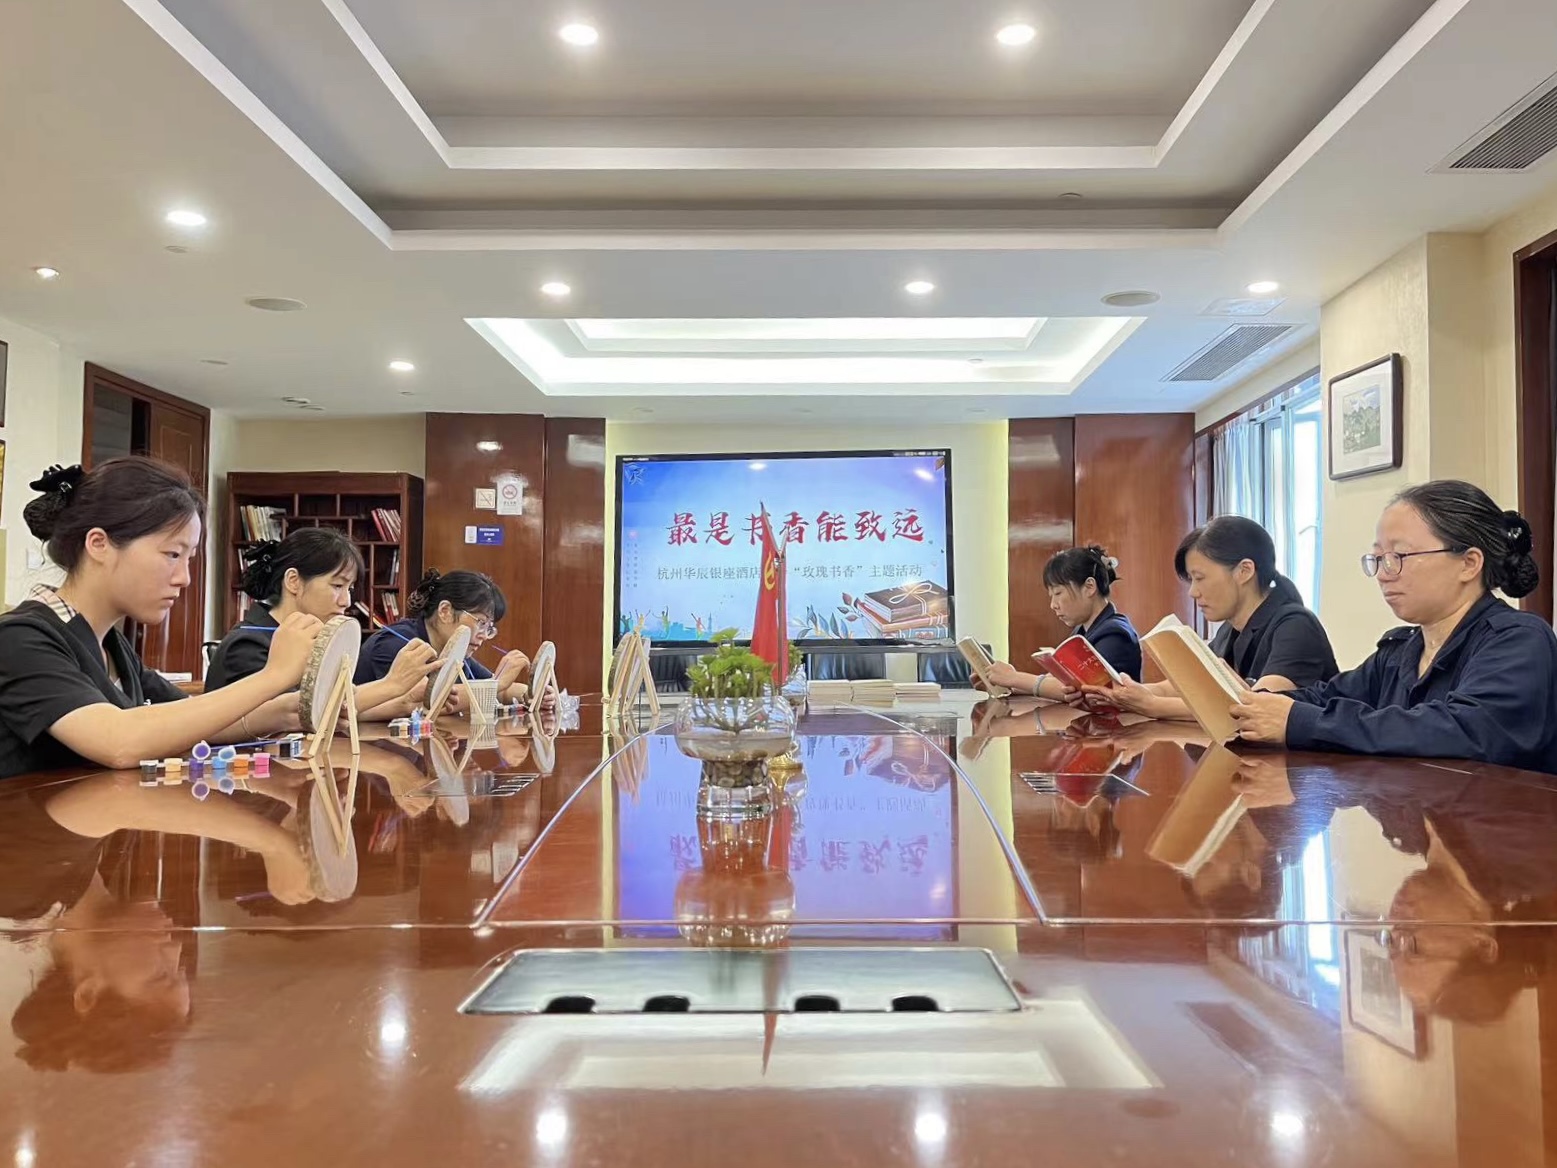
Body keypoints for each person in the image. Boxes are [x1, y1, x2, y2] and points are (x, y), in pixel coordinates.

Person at [0, 460, 322, 780]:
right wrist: (273, 675)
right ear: (99, 544)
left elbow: (193, 719)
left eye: (188, 559)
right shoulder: (19, 638)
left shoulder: (112, 644)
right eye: (172, 554)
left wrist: (289, 712)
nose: (184, 578)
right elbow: (118, 741)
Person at [1231, 480, 1557, 774]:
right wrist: (1253, 706)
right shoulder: (1401, 650)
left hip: (1501, 819)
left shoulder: (1518, 639)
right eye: (1378, 558)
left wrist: (1299, 721)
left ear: (1468, 564)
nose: (1384, 573)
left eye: (1399, 556)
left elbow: (1464, 731)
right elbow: (1325, 697)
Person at [1092, 516, 1337, 720]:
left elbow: (1257, 706)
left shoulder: (1296, 625)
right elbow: (1187, 685)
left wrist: (1152, 706)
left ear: (1244, 571)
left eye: (1200, 578)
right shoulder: (1229, 629)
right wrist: (1125, 693)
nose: (1193, 592)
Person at [206, 529, 442, 718]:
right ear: (293, 581)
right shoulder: (247, 644)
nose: (346, 601)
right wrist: (392, 684)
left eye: (349, 588)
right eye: (337, 586)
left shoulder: (311, 639)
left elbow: (331, 710)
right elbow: (292, 714)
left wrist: (402, 701)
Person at [354, 569, 536, 704]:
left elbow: (500, 691)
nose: (484, 636)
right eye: (481, 622)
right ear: (445, 611)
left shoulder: (455, 650)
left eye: (489, 628)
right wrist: (496, 684)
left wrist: (532, 694)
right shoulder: (397, 643)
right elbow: (425, 700)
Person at [983, 545, 1142, 699]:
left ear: (1089, 587)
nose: (1053, 605)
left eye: (1058, 593)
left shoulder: (1115, 634)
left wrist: (1015, 678)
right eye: (1051, 596)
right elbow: (1057, 681)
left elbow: (1084, 689)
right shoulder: (1082, 630)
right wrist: (1005, 683)